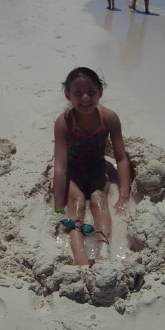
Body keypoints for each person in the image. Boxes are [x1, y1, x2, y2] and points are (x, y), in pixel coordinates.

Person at [53, 67, 131, 266]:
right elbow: (60, 166)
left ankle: (103, 250)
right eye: (78, 93)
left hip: (97, 166)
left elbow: (121, 158)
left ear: (100, 92)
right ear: (67, 94)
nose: (85, 98)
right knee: (77, 202)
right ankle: (79, 254)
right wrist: (58, 205)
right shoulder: (64, 123)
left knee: (98, 200)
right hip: (72, 171)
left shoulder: (109, 118)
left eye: (91, 92)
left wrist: (124, 195)